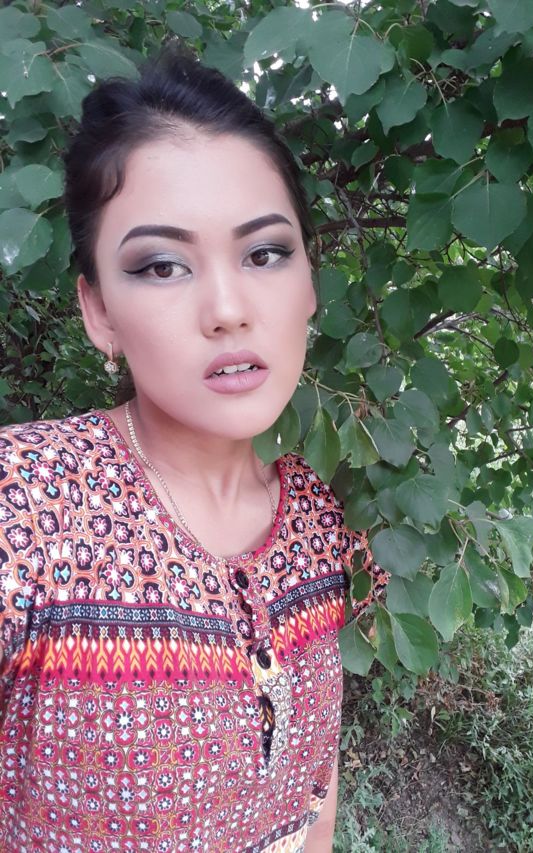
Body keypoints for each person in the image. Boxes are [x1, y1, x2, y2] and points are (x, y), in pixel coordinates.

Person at [0, 50, 384, 853]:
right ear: (98, 311)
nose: (227, 308)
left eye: (265, 252)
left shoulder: (325, 523)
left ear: (311, 283)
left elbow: (316, 789)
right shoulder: (26, 504)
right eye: (162, 265)